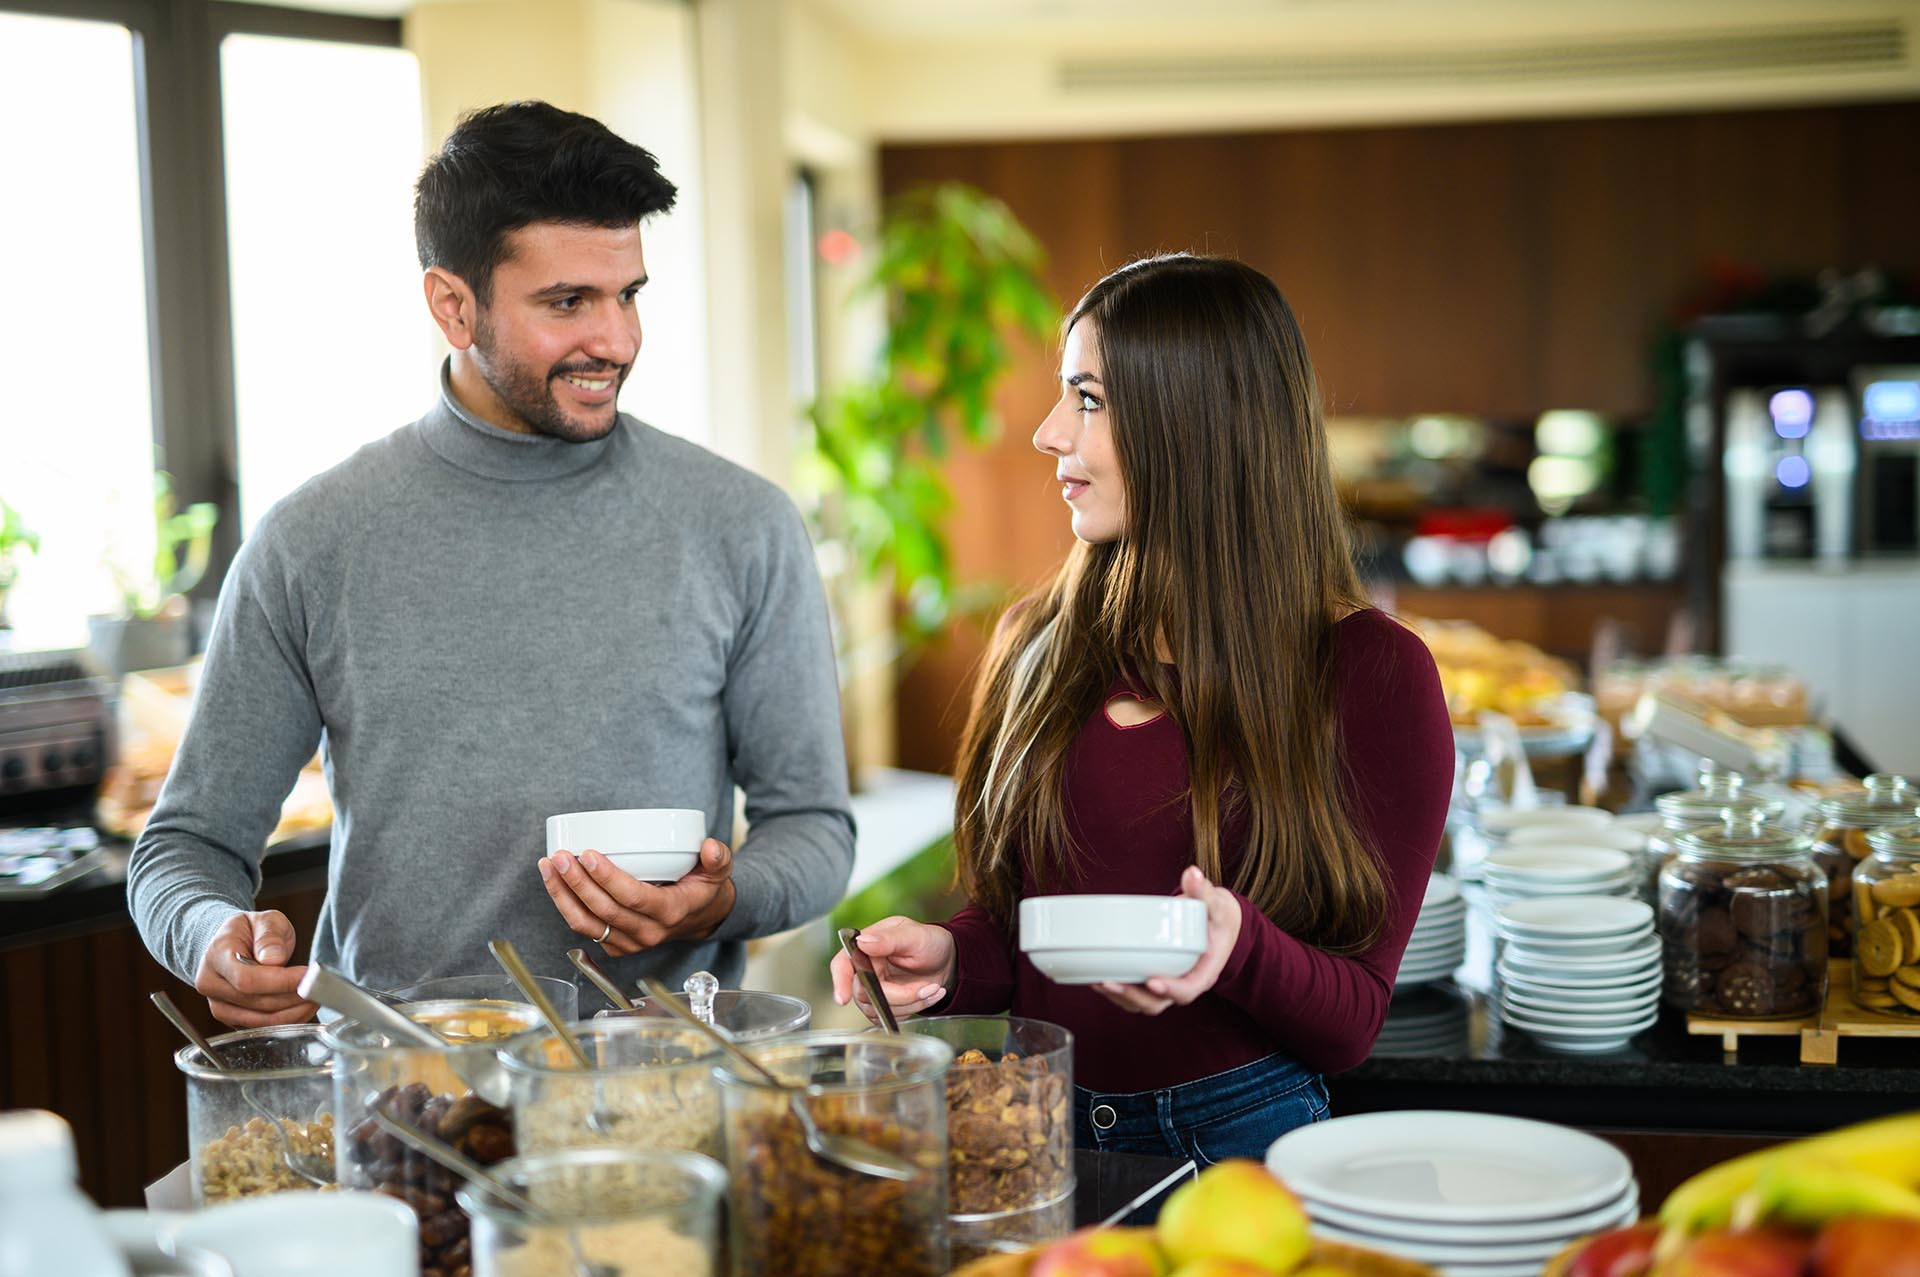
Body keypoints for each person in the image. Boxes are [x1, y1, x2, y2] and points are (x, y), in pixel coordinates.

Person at [130, 101, 855, 1027]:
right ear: (452, 304)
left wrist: (722, 897)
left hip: (664, 1091)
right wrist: (207, 933)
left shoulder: (742, 524)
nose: (617, 340)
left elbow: (815, 830)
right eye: (567, 303)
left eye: (628, 294)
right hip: (400, 1092)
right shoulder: (312, 541)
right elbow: (185, 845)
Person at [830, 253, 1452, 1164]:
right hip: (1035, 1125)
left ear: (1194, 425)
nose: (1047, 433)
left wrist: (1238, 946)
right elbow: (1026, 927)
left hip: (1242, 1142)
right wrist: (952, 957)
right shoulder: (1038, 641)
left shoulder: (1372, 673)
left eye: (1087, 398)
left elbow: (1353, 1019)